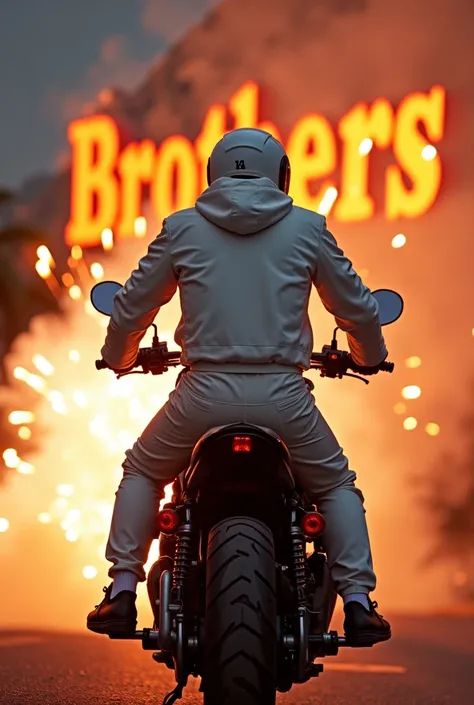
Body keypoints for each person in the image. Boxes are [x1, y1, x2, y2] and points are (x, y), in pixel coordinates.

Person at [87, 127, 391, 647]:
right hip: (285, 399)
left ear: (214, 173)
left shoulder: (181, 228)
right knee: (336, 486)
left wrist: (120, 357)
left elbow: (133, 305)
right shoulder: (308, 228)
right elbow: (357, 309)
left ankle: (120, 591)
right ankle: (359, 604)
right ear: (281, 174)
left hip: (201, 395)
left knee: (143, 469)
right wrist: (369, 355)